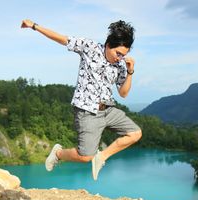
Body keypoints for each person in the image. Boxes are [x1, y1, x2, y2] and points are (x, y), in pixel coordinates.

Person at [21, 19, 142, 180]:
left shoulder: (120, 66)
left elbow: (124, 93)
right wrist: (34, 26)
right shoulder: (89, 47)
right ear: (108, 45)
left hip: (108, 109)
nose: (120, 58)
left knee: (135, 133)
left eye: (123, 55)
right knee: (85, 157)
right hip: (87, 111)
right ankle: (58, 153)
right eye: (118, 53)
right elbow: (63, 39)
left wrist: (130, 71)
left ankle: (102, 157)